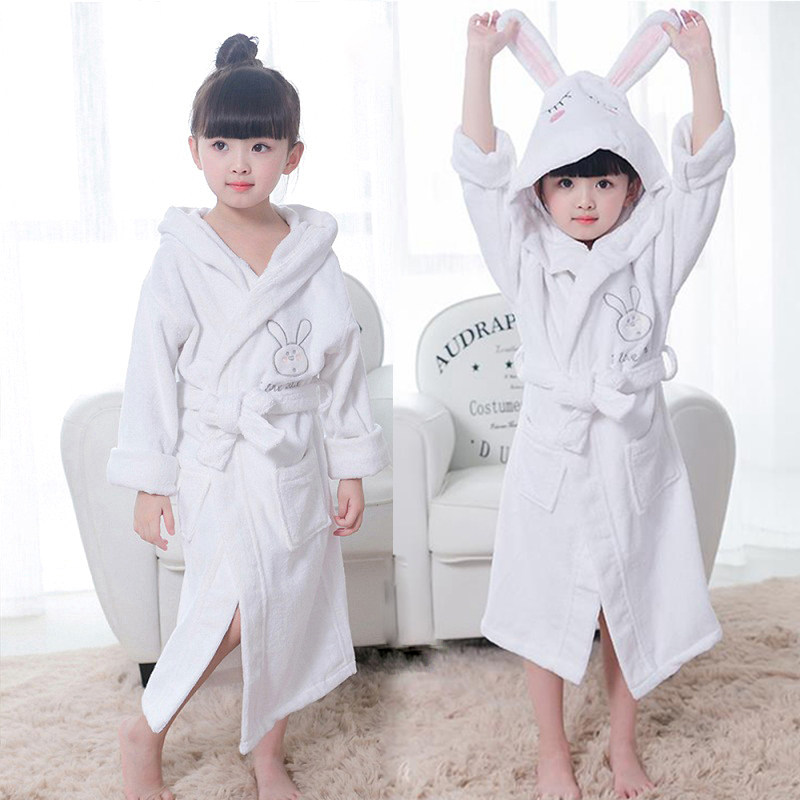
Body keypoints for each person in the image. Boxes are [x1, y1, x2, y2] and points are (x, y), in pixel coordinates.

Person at [453, 8, 734, 799]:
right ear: (540, 188)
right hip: (554, 451)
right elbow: (479, 173)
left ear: (633, 185)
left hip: (629, 451)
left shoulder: (655, 249)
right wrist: (480, 61)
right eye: (566, 181)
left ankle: (621, 743)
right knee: (543, 602)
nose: (584, 199)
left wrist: (700, 63)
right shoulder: (524, 253)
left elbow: (705, 173)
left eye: (604, 181)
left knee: (629, 601)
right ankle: (552, 749)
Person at [107, 33, 390, 800]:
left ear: (292, 156)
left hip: (293, 457)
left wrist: (351, 466)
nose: (240, 162)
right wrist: (151, 479)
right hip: (220, 461)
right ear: (195, 150)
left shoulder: (311, 252)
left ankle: (267, 756)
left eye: (260, 145)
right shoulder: (182, 253)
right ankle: (145, 730)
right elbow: (150, 366)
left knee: (287, 608)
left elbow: (341, 362)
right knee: (229, 607)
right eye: (223, 144)